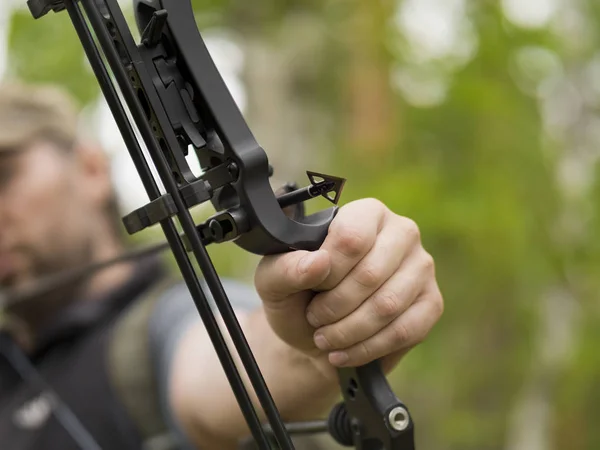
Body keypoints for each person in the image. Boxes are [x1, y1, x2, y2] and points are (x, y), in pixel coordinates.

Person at [0, 82, 444, 450]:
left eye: (4, 175)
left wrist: (319, 339)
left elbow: (241, 361)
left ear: (91, 168)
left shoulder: (163, 322)